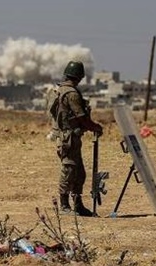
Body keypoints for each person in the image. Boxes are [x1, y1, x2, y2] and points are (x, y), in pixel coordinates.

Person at [52, 61, 103, 216]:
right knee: (68, 170)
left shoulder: (60, 90)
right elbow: (81, 118)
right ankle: (64, 205)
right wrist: (95, 127)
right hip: (69, 138)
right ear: (79, 77)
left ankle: (78, 204)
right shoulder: (71, 94)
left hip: (69, 137)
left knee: (79, 173)